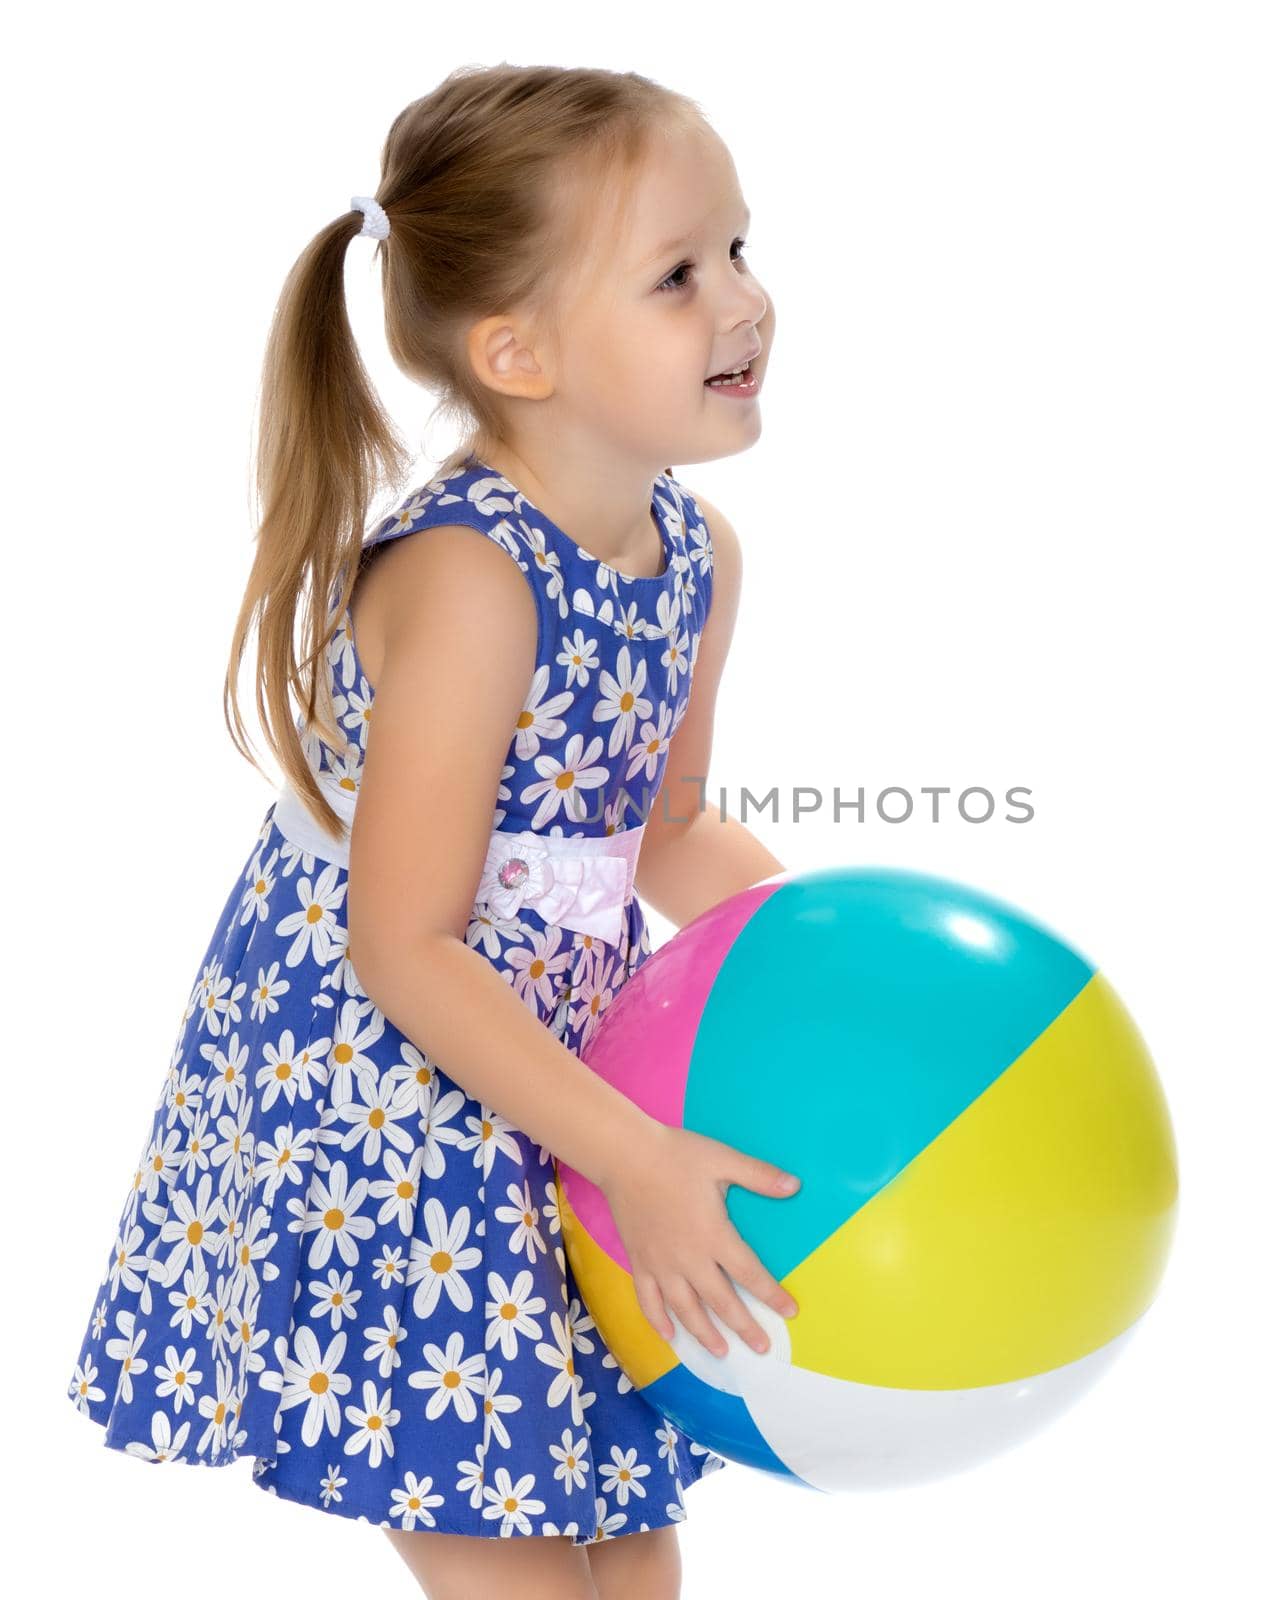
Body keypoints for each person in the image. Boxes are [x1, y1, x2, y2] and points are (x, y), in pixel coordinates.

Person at [65, 62, 798, 1600]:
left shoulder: (695, 554)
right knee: (502, 1530)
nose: (743, 300)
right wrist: (639, 1157)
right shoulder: (470, 582)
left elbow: (659, 827)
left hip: (563, 1061)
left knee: (625, 1527)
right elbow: (400, 944)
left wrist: (819, 951)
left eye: (740, 247)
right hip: (393, 1084)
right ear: (516, 351)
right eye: (678, 274)